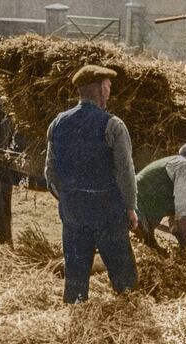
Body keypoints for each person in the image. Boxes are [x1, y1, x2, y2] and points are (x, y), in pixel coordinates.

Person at [44, 65, 139, 304]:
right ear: (98, 90)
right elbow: (125, 172)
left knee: (75, 273)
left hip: (73, 208)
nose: (109, 92)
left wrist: (67, 197)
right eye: (107, 87)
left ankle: (75, 312)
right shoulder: (113, 125)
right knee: (123, 273)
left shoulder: (57, 123)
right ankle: (129, 313)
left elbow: (50, 172)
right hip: (106, 208)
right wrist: (130, 207)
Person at [134, 140, 186, 249]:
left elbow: (175, 224)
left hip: (132, 208)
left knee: (157, 251)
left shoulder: (174, 162)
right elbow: (182, 212)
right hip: (134, 212)